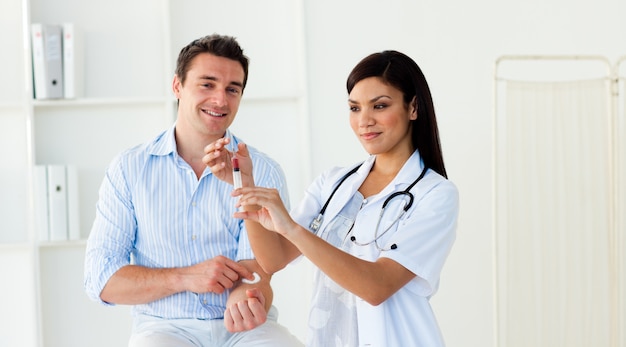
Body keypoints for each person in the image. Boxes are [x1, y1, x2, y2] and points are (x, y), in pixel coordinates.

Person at [205, 50, 459, 346]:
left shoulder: (435, 195)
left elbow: (377, 287)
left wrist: (292, 228)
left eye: (379, 106)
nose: (364, 121)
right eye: (354, 108)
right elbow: (273, 259)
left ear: (413, 107)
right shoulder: (333, 183)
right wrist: (245, 185)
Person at [84, 33, 303, 347]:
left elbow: (260, 267)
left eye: (232, 89)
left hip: (246, 331)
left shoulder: (263, 170)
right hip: (164, 329)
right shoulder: (129, 169)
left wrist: (246, 295)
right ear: (177, 86)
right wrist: (185, 277)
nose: (220, 100)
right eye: (207, 84)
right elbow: (101, 280)